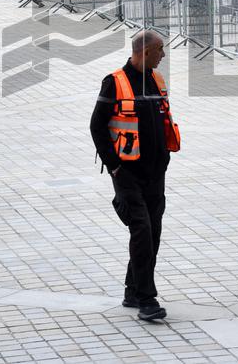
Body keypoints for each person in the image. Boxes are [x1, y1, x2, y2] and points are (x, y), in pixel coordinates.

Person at [89, 30, 179, 322]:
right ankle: (146, 298)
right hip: (126, 173)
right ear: (144, 52)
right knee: (140, 229)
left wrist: (163, 159)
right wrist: (114, 166)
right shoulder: (114, 82)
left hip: (155, 173)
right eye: (160, 50)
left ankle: (131, 289)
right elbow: (97, 127)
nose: (163, 55)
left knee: (152, 232)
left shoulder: (156, 79)